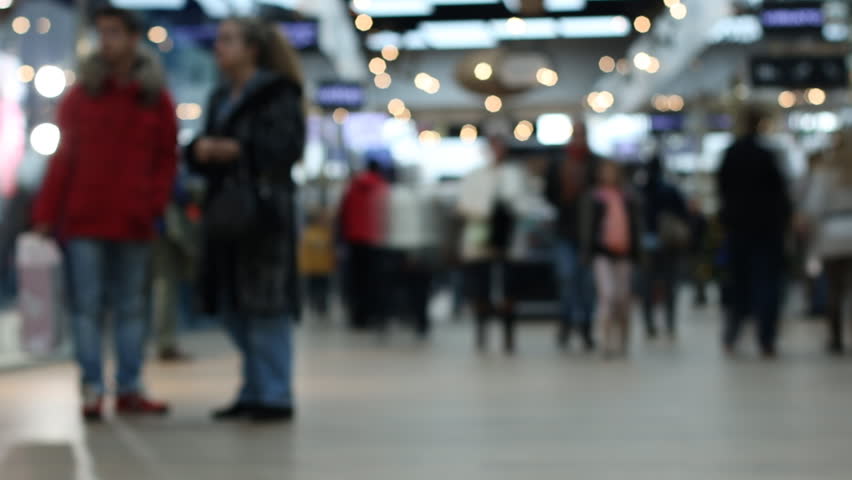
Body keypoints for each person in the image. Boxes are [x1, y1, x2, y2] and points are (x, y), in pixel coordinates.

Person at [32, 7, 177, 420]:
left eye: (114, 32)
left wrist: (153, 202)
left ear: (133, 38)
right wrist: (46, 213)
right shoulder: (82, 95)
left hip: (134, 219)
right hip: (85, 217)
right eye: (102, 33)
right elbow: (63, 159)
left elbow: (166, 158)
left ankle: (129, 386)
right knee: (87, 307)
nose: (106, 41)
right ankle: (92, 387)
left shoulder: (154, 96)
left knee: (131, 306)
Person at [187, 17, 306, 422]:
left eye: (227, 41)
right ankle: (254, 388)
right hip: (225, 211)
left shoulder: (278, 93)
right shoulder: (220, 95)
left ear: (252, 48)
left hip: (264, 212)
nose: (218, 47)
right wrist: (199, 152)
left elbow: (288, 148)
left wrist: (237, 150)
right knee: (232, 302)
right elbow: (200, 149)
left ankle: (274, 392)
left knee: (266, 304)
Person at [717, 108, 792, 358]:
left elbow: (723, 190)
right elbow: (781, 193)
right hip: (768, 229)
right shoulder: (768, 156)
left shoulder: (731, 154)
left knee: (738, 282)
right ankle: (766, 338)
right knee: (767, 282)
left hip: (739, 228)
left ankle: (732, 334)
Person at [458, 136, 524, 353]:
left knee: (509, 288)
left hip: (507, 240)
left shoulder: (513, 175)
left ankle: (508, 334)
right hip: (480, 241)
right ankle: (482, 331)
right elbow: (465, 205)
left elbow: (520, 202)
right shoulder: (475, 176)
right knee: (481, 289)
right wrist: (484, 212)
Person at [545, 122, 599, 351]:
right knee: (567, 278)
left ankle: (586, 325)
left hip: (589, 234)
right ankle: (567, 320)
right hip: (565, 232)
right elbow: (549, 194)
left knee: (586, 283)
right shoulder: (559, 164)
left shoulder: (595, 164)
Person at [580, 161, 641, 357]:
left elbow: (636, 226)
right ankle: (604, 342)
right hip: (602, 253)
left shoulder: (629, 197)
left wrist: (637, 251)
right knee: (607, 295)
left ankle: (623, 340)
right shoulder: (593, 197)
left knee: (623, 298)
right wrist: (587, 251)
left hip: (624, 254)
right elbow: (586, 228)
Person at [802, 131, 852, 355]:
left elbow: (814, 206)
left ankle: (836, 338)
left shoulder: (825, 172)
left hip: (832, 232)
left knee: (835, 287)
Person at [152, 168, 201, 362]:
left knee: (155, 289)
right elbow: (177, 191)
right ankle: (165, 343)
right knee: (165, 286)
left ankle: (162, 342)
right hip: (162, 229)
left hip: (151, 227)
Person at [385, 166, 438, 338]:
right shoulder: (422, 195)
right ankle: (418, 320)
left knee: (411, 288)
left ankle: (412, 319)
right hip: (416, 247)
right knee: (418, 289)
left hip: (404, 247)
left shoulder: (394, 196)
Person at [639, 156, 689, 339]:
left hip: (648, 243)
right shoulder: (670, 190)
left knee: (648, 285)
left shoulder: (642, 190)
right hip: (668, 243)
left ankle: (649, 322)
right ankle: (669, 322)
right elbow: (683, 214)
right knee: (669, 284)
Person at [340, 157, 389, 330]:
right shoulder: (382, 186)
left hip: (354, 239)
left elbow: (343, 213)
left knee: (356, 280)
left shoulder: (352, 187)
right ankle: (372, 315)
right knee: (373, 280)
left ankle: (357, 316)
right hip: (376, 240)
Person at [298, 209, 335, 317]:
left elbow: (331, 250)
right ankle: (315, 303)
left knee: (323, 287)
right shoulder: (308, 233)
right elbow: (304, 251)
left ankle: (322, 305)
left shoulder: (327, 233)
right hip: (312, 268)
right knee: (314, 287)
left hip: (324, 267)